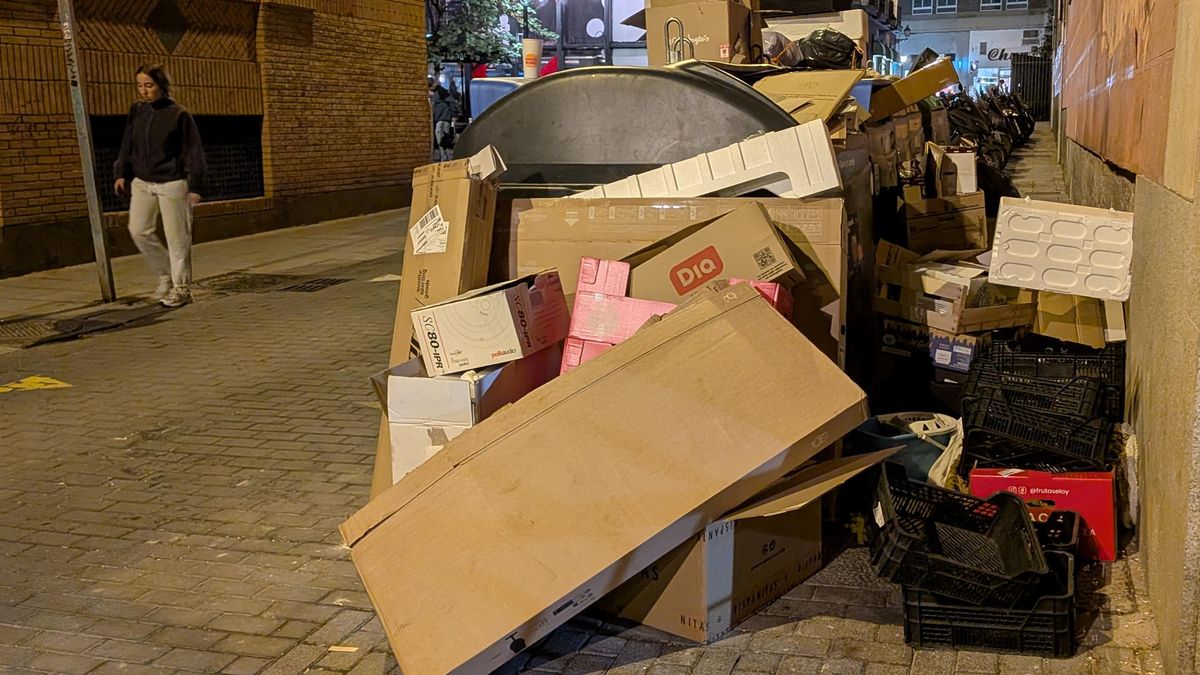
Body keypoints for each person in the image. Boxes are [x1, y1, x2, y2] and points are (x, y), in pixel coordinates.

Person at [113, 64, 206, 308]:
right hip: (143, 181)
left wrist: (195, 186)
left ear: (162, 86)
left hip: (173, 182)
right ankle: (165, 276)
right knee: (138, 229)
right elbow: (127, 143)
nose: (144, 91)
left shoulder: (178, 114)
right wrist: (121, 172)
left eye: (149, 85)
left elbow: (192, 151)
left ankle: (182, 289)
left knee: (177, 238)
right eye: (140, 85)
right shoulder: (138, 111)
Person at [429, 76, 456, 161]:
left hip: (443, 118)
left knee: (441, 139)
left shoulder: (441, 92)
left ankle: (445, 157)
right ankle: (446, 157)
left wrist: (454, 115)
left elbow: (451, 102)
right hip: (443, 118)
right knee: (443, 139)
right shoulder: (440, 92)